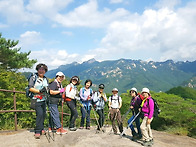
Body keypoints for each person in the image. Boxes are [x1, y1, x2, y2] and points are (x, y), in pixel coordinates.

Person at [28, 63, 49, 139]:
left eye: (43, 69)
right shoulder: (34, 77)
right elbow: (30, 88)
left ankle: (41, 128)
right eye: (40, 69)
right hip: (36, 99)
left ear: (45, 71)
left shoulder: (45, 79)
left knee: (43, 114)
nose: (41, 71)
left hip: (44, 99)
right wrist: (39, 91)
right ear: (37, 70)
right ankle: (37, 131)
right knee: (39, 114)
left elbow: (47, 88)